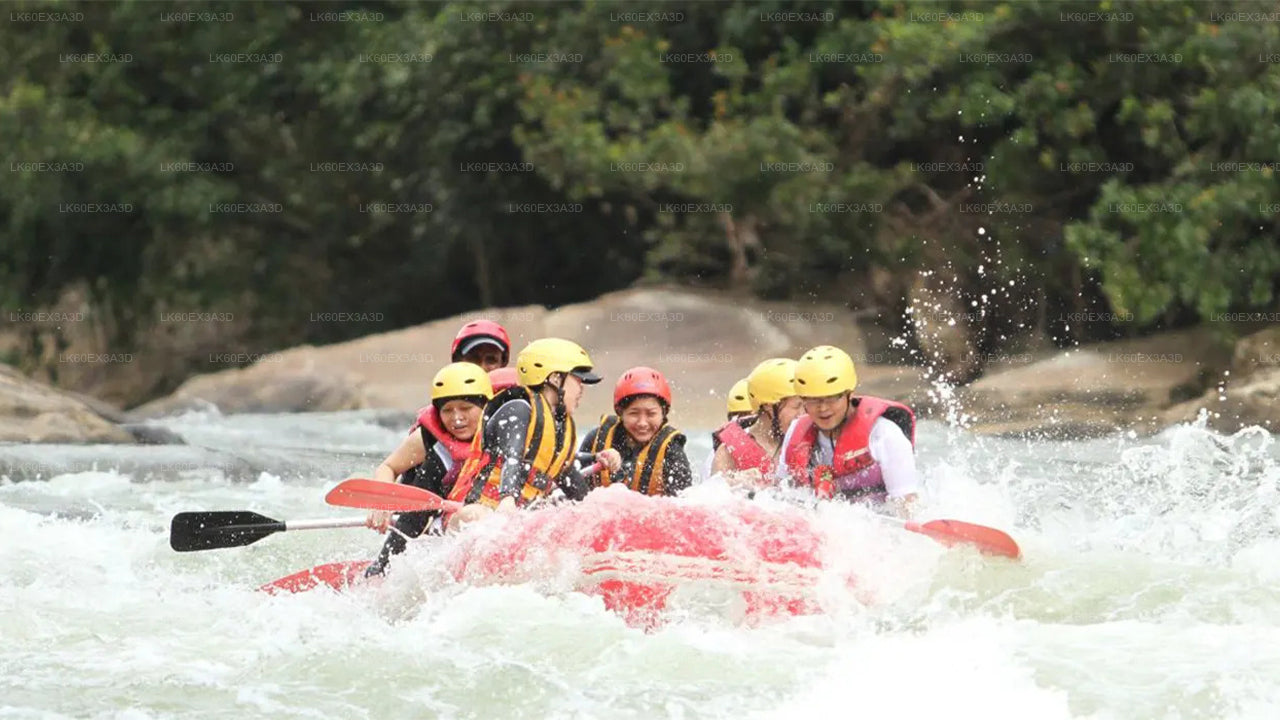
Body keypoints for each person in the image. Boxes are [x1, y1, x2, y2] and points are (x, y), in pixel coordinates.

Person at [445, 338, 602, 526]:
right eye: (577, 379)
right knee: (481, 517)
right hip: (476, 509)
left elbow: (575, 488)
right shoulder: (517, 410)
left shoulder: (559, 431)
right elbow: (513, 456)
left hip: (517, 520)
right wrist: (508, 498)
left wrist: (595, 515)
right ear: (554, 378)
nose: (582, 388)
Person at [362, 362, 493, 576]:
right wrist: (381, 502)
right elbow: (388, 467)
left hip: (482, 513)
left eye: (466, 408)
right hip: (427, 518)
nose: (457, 418)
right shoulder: (428, 438)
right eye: (447, 410)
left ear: (485, 406)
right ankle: (381, 570)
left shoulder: (504, 431)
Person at [777, 345, 920, 515]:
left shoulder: (884, 435)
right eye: (813, 400)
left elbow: (906, 508)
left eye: (831, 398)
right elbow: (780, 492)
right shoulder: (796, 431)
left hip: (877, 524)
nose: (823, 408)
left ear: (849, 394)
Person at [580, 366, 694, 497]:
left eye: (651, 414)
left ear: (663, 413)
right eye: (634, 414)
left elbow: (684, 505)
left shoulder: (671, 451)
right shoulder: (595, 439)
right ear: (620, 413)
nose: (642, 423)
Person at [708, 358, 803, 489]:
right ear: (769, 407)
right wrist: (735, 482)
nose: (803, 414)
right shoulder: (728, 452)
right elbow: (712, 496)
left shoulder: (811, 443)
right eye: (797, 406)